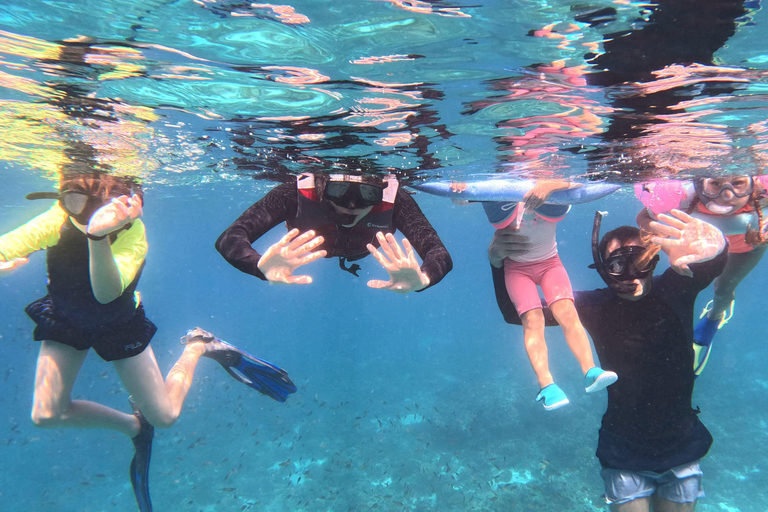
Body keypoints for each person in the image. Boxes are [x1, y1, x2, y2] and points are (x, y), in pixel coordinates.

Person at [0, 172, 297, 512]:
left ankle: (199, 345)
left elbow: (107, 294)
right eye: (76, 204)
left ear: (128, 207)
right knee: (46, 415)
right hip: (66, 318)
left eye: (103, 210)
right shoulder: (60, 217)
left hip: (118, 323)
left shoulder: (134, 234)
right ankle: (133, 426)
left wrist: (98, 238)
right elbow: (8, 243)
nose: (86, 218)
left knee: (166, 415)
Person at [489, 209, 728, 511]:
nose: (631, 274)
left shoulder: (676, 287)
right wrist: (499, 263)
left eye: (640, 261)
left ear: (654, 261)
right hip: (624, 448)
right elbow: (517, 314)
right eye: (617, 265)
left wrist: (718, 247)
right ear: (603, 270)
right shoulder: (594, 305)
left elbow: (711, 267)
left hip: (682, 444)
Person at [484, 180, 617, 410]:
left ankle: (590, 370)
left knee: (567, 313)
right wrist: (459, 187)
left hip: (550, 263)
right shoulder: (503, 182)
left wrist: (549, 184)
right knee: (533, 321)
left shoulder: (550, 177)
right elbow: (467, 195)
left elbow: (577, 181)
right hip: (516, 269)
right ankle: (547, 386)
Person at [215, 172, 452, 293]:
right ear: (321, 185)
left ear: (380, 190)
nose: (351, 205)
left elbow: (438, 252)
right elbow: (230, 237)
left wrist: (423, 279)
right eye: (339, 190)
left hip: (358, 252)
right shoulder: (291, 195)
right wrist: (258, 266)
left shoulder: (397, 201)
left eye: (367, 194)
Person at [636, 175, 768, 375]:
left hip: (746, 246)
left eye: (738, 184)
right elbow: (643, 219)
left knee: (723, 289)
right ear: (699, 184)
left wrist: (763, 233)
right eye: (715, 184)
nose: (726, 195)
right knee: (682, 282)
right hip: (699, 244)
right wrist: (671, 252)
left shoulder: (763, 195)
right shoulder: (683, 197)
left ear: (753, 184)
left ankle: (714, 318)